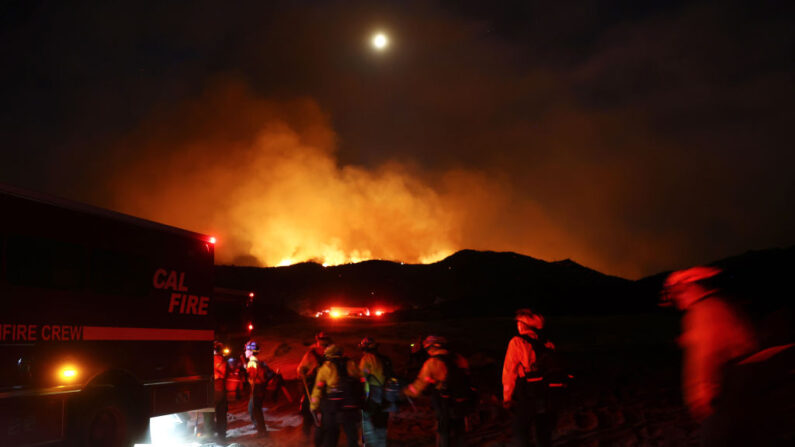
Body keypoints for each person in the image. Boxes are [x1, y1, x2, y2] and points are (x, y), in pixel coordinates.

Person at [662, 266, 795, 446]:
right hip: (749, 387)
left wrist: (702, 391)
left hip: (731, 389)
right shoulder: (720, 304)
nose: (675, 298)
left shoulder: (703, 311)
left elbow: (707, 354)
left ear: (691, 287)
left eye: (677, 292)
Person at [502, 309, 557, 447]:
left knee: (521, 431)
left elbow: (509, 371)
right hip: (546, 392)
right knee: (543, 432)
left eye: (518, 322)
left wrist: (507, 397)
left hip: (526, 392)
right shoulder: (547, 343)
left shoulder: (517, 342)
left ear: (523, 325)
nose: (517, 325)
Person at [404, 335, 472, 447]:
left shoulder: (432, 362)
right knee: (459, 428)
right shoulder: (459, 358)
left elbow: (420, 384)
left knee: (443, 429)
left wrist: (406, 392)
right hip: (462, 399)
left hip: (444, 401)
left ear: (431, 348)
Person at [310, 344, 363, 447]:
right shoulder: (351, 364)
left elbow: (317, 390)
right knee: (352, 435)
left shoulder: (325, 368)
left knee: (331, 435)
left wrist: (313, 406)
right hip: (350, 405)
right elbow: (361, 378)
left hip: (332, 407)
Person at [359, 336, 393, 447]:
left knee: (366, 419)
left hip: (372, 394)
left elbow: (362, 376)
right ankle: (381, 443)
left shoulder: (367, 359)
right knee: (382, 422)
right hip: (386, 395)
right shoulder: (385, 359)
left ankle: (366, 443)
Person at [298, 331, 332, 438]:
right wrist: (303, 371)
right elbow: (300, 369)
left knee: (325, 410)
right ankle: (307, 432)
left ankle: (323, 432)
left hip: (326, 385)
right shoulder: (311, 354)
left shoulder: (333, 354)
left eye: (324, 341)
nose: (323, 343)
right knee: (308, 407)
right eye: (321, 341)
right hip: (315, 385)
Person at [245, 340, 273, 436]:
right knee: (252, 408)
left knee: (255, 409)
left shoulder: (252, 363)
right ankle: (259, 427)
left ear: (251, 352)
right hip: (261, 388)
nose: (245, 352)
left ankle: (262, 431)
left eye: (246, 350)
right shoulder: (258, 361)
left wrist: (247, 373)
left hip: (256, 388)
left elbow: (252, 377)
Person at [203, 341, 228, 440]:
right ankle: (222, 435)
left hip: (212, 388)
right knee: (221, 413)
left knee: (208, 411)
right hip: (222, 389)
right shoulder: (223, 360)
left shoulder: (209, 360)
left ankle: (209, 434)